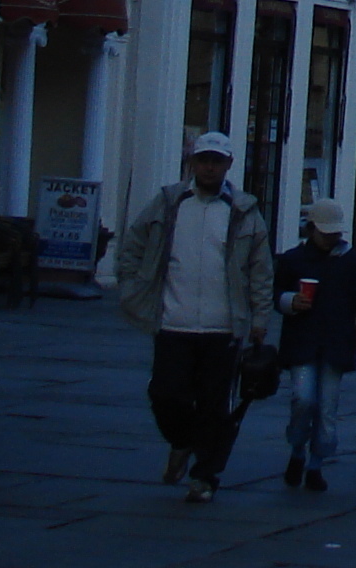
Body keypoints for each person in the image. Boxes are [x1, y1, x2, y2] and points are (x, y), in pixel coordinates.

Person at [114, 129, 273, 502]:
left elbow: (260, 270)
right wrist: (132, 287)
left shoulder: (244, 211)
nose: (209, 167)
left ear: (229, 165)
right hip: (173, 321)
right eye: (203, 160)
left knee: (216, 407)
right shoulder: (169, 203)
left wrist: (260, 318)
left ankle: (205, 476)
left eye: (217, 161)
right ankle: (182, 441)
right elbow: (133, 245)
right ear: (192, 163)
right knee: (164, 395)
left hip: (223, 327)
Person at [275, 197, 356, 491]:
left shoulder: (348, 262)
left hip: (334, 344)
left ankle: (315, 463)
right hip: (304, 342)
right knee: (304, 398)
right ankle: (298, 449)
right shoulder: (294, 260)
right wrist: (289, 302)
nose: (331, 238)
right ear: (311, 229)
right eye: (326, 232)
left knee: (328, 409)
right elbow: (276, 292)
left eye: (334, 233)